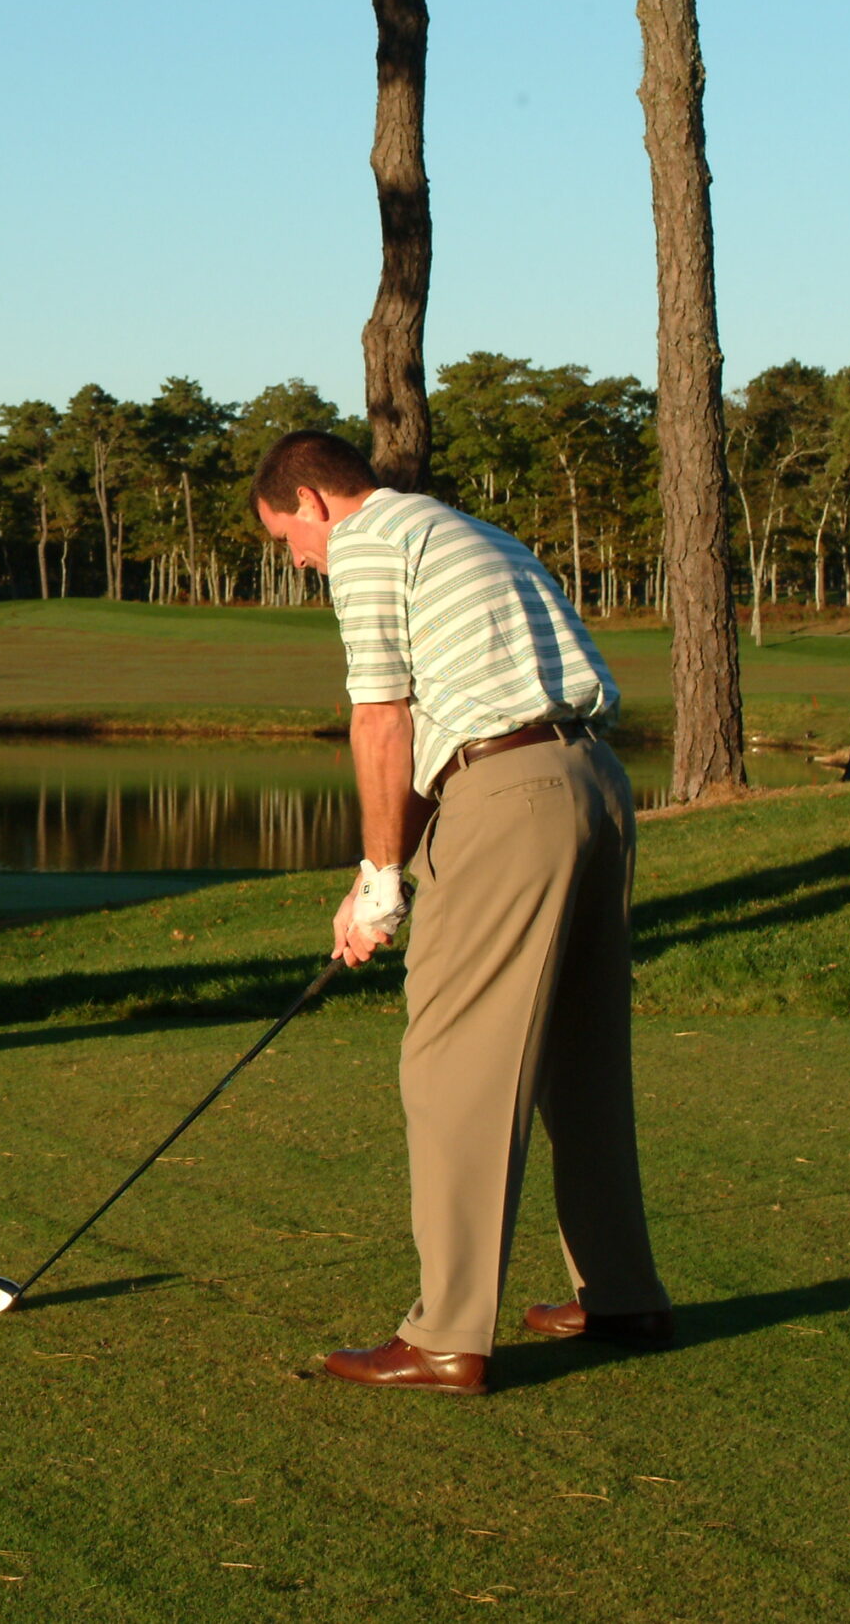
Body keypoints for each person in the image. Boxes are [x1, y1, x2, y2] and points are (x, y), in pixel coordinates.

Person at [249, 430, 669, 1394]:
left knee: (450, 1063)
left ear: (312, 501)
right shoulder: (463, 531)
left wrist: (385, 880)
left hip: (511, 797)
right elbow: (463, 715)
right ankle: (620, 1290)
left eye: (286, 540)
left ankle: (446, 1335)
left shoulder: (362, 543)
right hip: (593, 783)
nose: (299, 560)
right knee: (581, 1052)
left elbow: (384, 715)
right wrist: (374, 875)